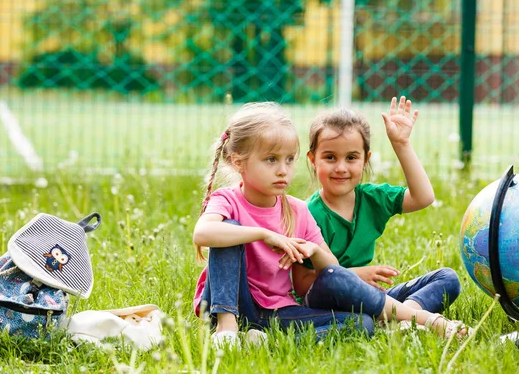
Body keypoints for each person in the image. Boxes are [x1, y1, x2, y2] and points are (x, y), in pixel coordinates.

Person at [192, 102, 468, 349]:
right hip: (238, 303)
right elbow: (204, 233)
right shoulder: (230, 199)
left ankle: (262, 342)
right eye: (272, 160)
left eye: (289, 160)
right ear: (238, 162)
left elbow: (331, 268)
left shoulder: (298, 210)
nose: (282, 170)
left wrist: (313, 249)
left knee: (365, 323)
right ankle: (227, 329)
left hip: (281, 311)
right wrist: (266, 234)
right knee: (227, 229)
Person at [295, 96, 461, 319]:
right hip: (325, 303)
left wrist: (401, 145)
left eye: (352, 157)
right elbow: (302, 286)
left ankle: (404, 316)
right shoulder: (306, 214)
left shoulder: (372, 198)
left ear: (365, 160)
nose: (341, 167)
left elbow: (423, 197)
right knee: (359, 318)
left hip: (371, 297)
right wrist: (356, 276)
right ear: (313, 159)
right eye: (330, 157)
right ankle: (401, 318)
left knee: (447, 278)